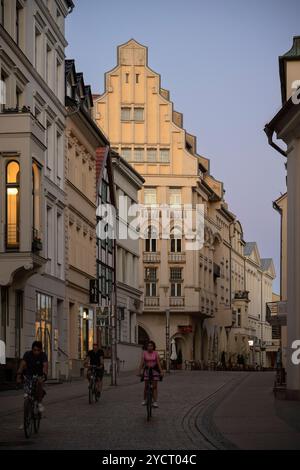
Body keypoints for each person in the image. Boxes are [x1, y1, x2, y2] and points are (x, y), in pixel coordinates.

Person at [16, 341, 48, 413]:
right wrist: (18, 375)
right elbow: (22, 364)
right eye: (34, 350)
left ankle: (39, 403)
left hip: (39, 375)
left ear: (41, 350)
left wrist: (45, 374)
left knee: (39, 383)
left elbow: (45, 365)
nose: (36, 352)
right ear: (32, 349)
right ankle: (28, 402)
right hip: (29, 374)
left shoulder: (43, 355)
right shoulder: (27, 354)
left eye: (38, 350)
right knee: (27, 390)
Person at [139, 340, 163, 408]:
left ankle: (155, 402)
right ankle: (144, 400)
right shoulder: (144, 353)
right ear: (147, 347)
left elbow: (158, 363)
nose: (150, 347)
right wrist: (139, 371)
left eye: (151, 346)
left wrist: (161, 371)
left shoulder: (155, 353)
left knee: (155, 387)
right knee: (146, 386)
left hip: (154, 370)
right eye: (149, 346)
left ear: (153, 347)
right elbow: (142, 363)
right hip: (147, 370)